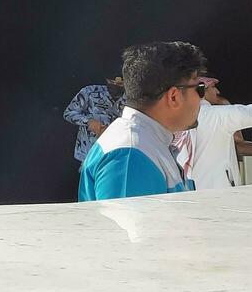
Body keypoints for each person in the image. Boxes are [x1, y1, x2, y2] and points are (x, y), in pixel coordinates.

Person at [79, 42, 204, 202]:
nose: (201, 97)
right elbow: (128, 226)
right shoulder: (131, 154)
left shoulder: (141, 143)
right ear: (173, 96)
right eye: (199, 88)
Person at [171, 76, 252, 189]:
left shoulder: (179, 116)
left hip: (189, 188)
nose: (217, 91)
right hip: (217, 190)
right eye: (213, 87)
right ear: (202, 91)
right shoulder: (216, 115)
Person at [63, 77, 125, 168]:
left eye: (120, 84)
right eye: (112, 82)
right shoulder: (90, 92)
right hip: (89, 155)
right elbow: (69, 113)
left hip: (117, 156)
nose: (115, 85)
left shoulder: (132, 100)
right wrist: (88, 121)